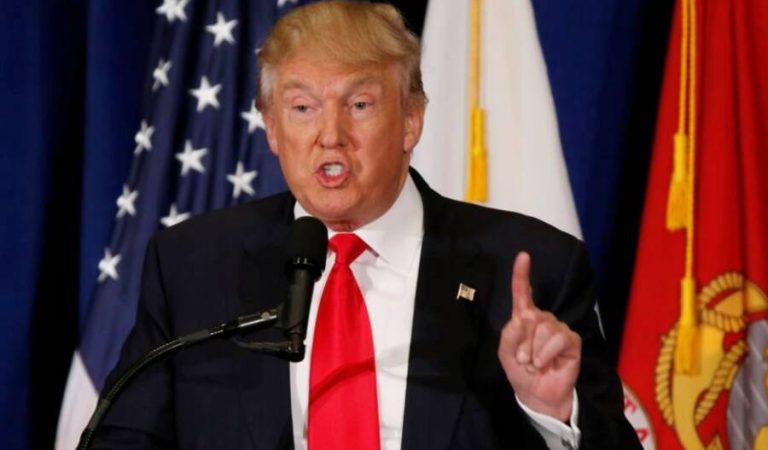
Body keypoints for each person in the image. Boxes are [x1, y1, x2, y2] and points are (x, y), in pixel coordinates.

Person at [92, 2, 641, 449]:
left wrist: (554, 413)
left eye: (359, 104)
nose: (330, 135)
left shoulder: (532, 269)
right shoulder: (192, 266)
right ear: (272, 128)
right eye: (302, 107)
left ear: (411, 120)